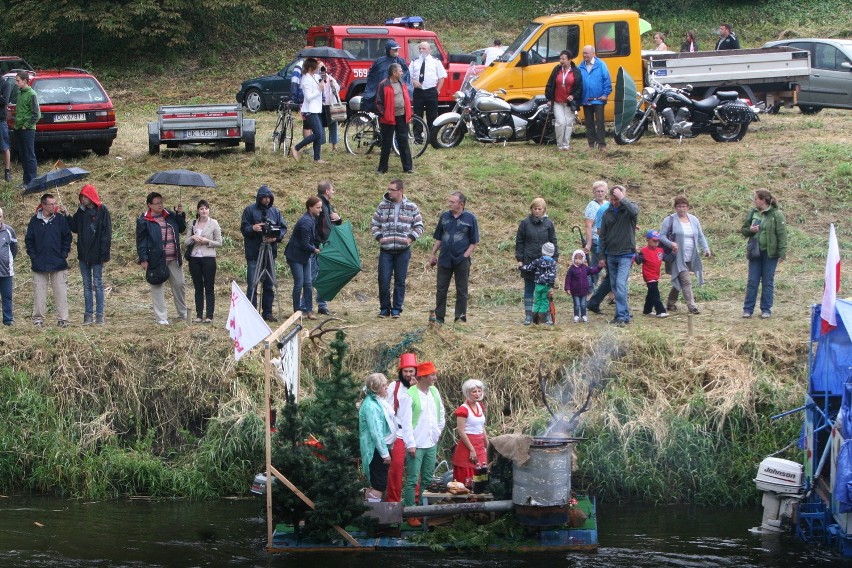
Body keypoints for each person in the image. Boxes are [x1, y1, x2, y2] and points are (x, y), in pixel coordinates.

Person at [371, 179, 423, 318]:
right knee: (383, 280)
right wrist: (380, 237)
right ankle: (384, 309)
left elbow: (419, 226)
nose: (389, 192)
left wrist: (410, 239)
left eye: (392, 190)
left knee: (400, 281)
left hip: (403, 251)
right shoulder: (382, 206)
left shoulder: (412, 207)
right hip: (386, 250)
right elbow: (374, 224)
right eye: (388, 189)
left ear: (400, 191)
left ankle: (397, 309)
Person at [403, 361, 446, 525]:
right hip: (416, 443)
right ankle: (410, 513)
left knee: (427, 479)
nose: (435, 378)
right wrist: (410, 443)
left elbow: (441, 412)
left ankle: (423, 510)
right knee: (413, 479)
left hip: (430, 442)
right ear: (423, 377)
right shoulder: (410, 394)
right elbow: (406, 421)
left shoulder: (434, 391)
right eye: (432, 375)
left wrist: (437, 432)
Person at [136, 192, 187, 325]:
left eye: (161, 202)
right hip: (156, 260)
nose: (160, 205)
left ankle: (183, 313)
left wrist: (180, 215)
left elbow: (182, 229)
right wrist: (143, 259)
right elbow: (141, 242)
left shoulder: (170, 216)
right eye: (157, 203)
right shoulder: (144, 221)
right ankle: (161, 317)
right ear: (149, 205)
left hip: (174, 257)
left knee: (179, 284)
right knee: (157, 286)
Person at [429, 191, 479, 324]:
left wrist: (465, 256)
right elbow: (439, 238)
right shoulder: (444, 216)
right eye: (449, 201)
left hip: (461, 260)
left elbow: (474, 242)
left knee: (462, 290)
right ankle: (439, 317)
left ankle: (460, 317)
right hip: (444, 259)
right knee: (441, 289)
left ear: (461, 204)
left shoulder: (470, 218)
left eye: (452, 202)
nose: (449, 204)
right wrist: (433, 254)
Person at [67, 184, 112, 325]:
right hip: (83, 255)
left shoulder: (102, 210)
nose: (83, 199)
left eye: (85, 196)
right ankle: (88, 315)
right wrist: (67, 215)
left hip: (97, 255)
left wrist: (104, 254)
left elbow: (107, 233)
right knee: (87, 285)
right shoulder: (81, 211)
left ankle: (99, 315)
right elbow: (74, 227)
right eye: (81, 196)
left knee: (97, 284)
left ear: (91, 196)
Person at [658, 196, 712, 314]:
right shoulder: (669, 220)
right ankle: (692, 306)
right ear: (675, 207)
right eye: (679, 206)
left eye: (683, 206)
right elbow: (661, 236)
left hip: (691, 255)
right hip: (677, 256)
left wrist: (706, 248)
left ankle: (670, 303)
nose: (681, 209)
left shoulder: (693, 219)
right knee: (686, 280)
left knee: (679, 279)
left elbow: (701, 235)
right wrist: (671, 243)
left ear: (688, 207)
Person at [241, 185, 287, 323]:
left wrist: (276, 237)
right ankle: (252, 313)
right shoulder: (249, 210)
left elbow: (283, 228)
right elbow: (244, 228)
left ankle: (267, 312)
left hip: (269, 252)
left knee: (268, 285)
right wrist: (253, 228)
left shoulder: (275, 212)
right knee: (252, 284)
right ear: (259, 197)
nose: (266, 200)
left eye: (268, 197)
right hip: (254, 252)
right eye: (264, 197)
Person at [25, 193, 71, 327]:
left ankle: (63, 319)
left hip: (58, 262)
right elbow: (29, 240)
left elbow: (67, 237)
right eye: (51, 204)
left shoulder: (60, 219)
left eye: (55, 203)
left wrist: (63, 254)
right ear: (43, 205)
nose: (54, 206)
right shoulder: (34, 221)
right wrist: (34, 256)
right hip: (39, 264)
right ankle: (38, 319)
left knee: (61, 293)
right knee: (39, 294)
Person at [741, 189, 787, 319]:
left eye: (756, 198)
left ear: (763, 200)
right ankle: (748, 309)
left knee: (767, 282)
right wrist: (750, 230)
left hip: (770, 254)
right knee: (752, 281)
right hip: (755, 252)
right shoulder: (753, 213)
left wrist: (782, 253)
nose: (754, 201)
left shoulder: (776, 214)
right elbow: (744, 230)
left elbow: (782, 235)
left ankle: (766, 309)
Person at [599, 185, 639, 326]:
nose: (614, 202)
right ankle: (622, 315)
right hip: (611, 254)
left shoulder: (629, 209)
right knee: (615, 286)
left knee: (621, 284)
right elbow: (602, 236)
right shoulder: (607, 213)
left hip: (626, 254)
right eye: (612, 199)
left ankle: (622, 315)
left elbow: (634, 212)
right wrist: (602, 256)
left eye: (617, 199)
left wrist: (623, 198)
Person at [515, 197, 558, 325]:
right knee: (529, 288)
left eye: (539, 209)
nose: (537, 211)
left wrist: (554, 259)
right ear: (531, 209)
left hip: (545, 265)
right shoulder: (525, 223)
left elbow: (553, 241)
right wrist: (520, 259)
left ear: (544, 210)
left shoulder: (549, 224)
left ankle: (545, 316)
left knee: (545, 290)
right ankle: (529, 315)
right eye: (535, 209)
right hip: (529, 261)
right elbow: (519, 241)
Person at [385, 353, 418, 503]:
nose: (408, 374)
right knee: (396, 468)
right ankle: (393, 502)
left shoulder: (422, 388)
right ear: (401, 372)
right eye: (405, 371)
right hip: (398, 433)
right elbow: (388, 409)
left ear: (416, 372)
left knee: (416, 471)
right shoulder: (394, 386)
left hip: (416, 433)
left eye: (411, 371)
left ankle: (415, 502)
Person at [358, 373, 396, 502]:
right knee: (378, 485)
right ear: (376, 388)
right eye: (384, 385)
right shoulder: (371, 406)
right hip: (375, 450)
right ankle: (376, 518)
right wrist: (385, 453)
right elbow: (376, 432)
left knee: (379, 483)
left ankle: (370, 509)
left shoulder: (378, 401)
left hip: (382, 447)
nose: (387, 387)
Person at [284, 196, 322, 320]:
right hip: (295, 256)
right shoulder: (305, 222)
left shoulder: (312, 219)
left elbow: (311, 239)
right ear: (310, 207)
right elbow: (304, 244)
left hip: (305, 256)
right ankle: (297, 312)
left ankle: (309, 310)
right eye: (318, 207)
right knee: (299, 284)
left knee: (308, 283)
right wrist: (315, 250)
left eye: (320, 207)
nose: (320, 210)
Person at [184, 199, 221, 323]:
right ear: (198, 211)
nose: (204, 210)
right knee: (198, 287)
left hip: (209, 258)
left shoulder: (214, 223)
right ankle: (199, 315)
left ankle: (209, 315)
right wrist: (193, 238)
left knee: (209, 287)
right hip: (194, 258)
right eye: (201, 208)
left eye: (206, 208)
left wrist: (207, 242)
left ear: (209, 209)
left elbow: (219, 242)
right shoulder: (192, 223)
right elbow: (186, 242)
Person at [375, 63, 414, 175]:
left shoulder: (402, 83)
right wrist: (385, 114)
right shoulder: (383, 84)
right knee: (386, 143)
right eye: (400, 71)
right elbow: (378, 103)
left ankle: (408, 167)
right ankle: (382, 168)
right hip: (388, 119)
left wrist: (409, 111)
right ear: (394, 72)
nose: (402, 73)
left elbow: (407, 98)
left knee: (403, 141)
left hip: (402, 116)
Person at [313, 180, 342, 316]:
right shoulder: (318, 205)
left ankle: (322, 304)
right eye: (333, 189)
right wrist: (319, 242)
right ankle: (306, 305)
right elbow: (315, 225)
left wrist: (339, 218)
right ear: (327, 191)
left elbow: (334, 222)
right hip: (319, 245)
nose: (334, 192)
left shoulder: (327, 205)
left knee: (323, 273)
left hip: (326, 244)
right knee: (314, 275)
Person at [544, 50, 583, 151]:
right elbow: (549, 84)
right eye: (560, 59)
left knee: (568, 123)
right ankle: (559, 144)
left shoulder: (576, 71)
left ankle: (566, 145)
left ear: (570, 60)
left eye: (563, 59)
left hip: (569, 103)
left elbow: (579, 87)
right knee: (560, 122)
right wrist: (549, 98)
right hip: (557, 102)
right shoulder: (556, 70)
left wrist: (573, 96)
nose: (561, 61)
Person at [451, 379, 488, 486]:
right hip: (467, 446)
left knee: (482, 473)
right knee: (468, 478)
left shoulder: (480, 407)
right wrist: (472, 449)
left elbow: (481, 427)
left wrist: (488, 445)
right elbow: (461, 432)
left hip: (480, 445)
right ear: (468, 393)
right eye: (474, 391)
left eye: (479, 391)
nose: (477, 394)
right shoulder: (463, 410)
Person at [290, 58, 326, 163]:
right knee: (318, 134)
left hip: (317, 109)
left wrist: (323, 69)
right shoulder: (305, 79)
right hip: (310, 110)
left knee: (318, 134)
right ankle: (296, 148)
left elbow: (324, 78)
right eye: (316, 67)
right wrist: (319, 90)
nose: (317, 69)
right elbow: (308, 97)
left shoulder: (315, 76)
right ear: (311, 67)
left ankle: (317, 158)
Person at [362, 39, 412, 114]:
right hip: (384, 91)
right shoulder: (379, 61)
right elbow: (371, 75)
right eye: (394, 49)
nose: (397, 51)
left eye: (397, 49)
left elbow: (406, 75)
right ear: (389, 50)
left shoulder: (401, 61)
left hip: (397, 91)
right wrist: (373, 88)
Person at [409, 41, 447, 134]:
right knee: (417, 115)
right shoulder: (415, 61)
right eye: (420, 48)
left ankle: (431, 136)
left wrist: (437, 90)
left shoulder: (435, 61)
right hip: (418, 92)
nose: (421, 50)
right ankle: (418, 137)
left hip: (431, 91)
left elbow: (442, 77)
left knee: (432, 115)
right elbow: (408, 76)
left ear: (429, 50)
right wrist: (413, 81)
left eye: (424, 48)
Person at [579, 45, 611, 151]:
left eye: (586, 53)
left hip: (599, 100)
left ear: (593, 53)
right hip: (586, 100)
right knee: (589, 123)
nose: (584, 55)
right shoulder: (580, 67)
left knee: (600, 122)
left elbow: (606, 80)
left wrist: (605, 94)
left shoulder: (601, 65)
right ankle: (591, 145)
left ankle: (602, 145)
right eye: (583, 53)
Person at [520, 242, 558, 325]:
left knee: (537, 301)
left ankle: (535, 319)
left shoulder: (538, 261)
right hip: (546, 286)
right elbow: (553, 275)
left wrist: (521, 267)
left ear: (542, 251)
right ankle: (542, 319)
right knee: (544, 301)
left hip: (538, 285)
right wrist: (551, 286)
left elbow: (529, 267)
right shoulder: (553, 263)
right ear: (552, 253)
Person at [14, 70, 40, 185]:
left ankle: (32, 181)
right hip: (18, 128)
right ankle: (26, 180)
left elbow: (36, 114)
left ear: (25, 81)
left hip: (27, 130)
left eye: (18, 80)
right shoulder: (20, 93)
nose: (16, 83)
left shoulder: (32, 94)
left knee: (29, 155)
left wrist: (27, 125)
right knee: (23, 154)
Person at [636, 231, 668, 318]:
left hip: (656, 275)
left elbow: (668, 258)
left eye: (658, 241)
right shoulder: (644, 251)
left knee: (651, 293)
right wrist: (635, 253)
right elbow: (638, 261)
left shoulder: (660, 250)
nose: (656, 243)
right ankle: (660, 311)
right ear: (647, 240)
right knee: (655, 293)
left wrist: (674, 252)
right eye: (654, 241)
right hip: (649, 275)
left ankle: (647, 310)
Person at [564, 249, 602, 323]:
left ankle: (584, 315)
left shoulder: (585, 268)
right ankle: (576, 316)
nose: (578, 260)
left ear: (583, 259)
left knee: (583, 304)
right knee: (577, 304)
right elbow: (568, 279)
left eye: (580, 259)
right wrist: (567, 288)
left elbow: (593, 271)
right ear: (573, 258)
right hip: (575, 291)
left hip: (584, 290)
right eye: (576, 258)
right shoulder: (571, 269)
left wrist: (599, 267)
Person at [583, 180, 608, 289]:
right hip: (595, 240)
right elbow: (588, 225)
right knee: (597, 266)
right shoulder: (592, 206)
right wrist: (588, 243)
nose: (600, 193)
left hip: (607, 240)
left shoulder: (608, 204)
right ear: (594, 192)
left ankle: (611, 294)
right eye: (597, 191)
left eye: (602, 191)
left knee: (607, 266)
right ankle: (589, 290)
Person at [0, 207, 19, 325]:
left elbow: (14, 248)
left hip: (6, 271)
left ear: (2, 217)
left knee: (7, 297)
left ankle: (8, 319)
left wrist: (7, 261)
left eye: (0, 216)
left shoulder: (9, 230)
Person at [319, 64, 342, 152]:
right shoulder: (317, 79)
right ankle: (320, 144)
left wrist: (333, 85)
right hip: (320, 105)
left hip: (331, 104)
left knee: (333, 125)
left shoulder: (331, 78)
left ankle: (334, 145)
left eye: (323, 68)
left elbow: (338, 89)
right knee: (320, 125)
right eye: (320, 69)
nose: (322, 71)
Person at [1, 75, 13, 182]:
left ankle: (7, 171)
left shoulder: (5, 84)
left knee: (4, 146)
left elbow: (4, 101)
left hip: (1, 120)